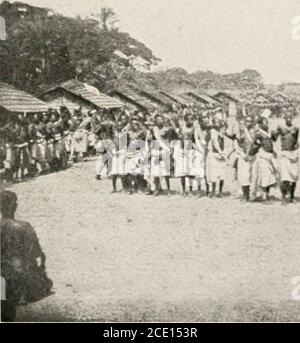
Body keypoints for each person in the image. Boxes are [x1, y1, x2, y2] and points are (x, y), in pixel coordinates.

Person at [1, 190, 52, 322]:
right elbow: (37, 254)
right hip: (16, 278)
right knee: (8, 308)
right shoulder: (24, 227)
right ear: (15, 206)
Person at [273, 113, 299, 204]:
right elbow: (274, 138)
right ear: (284, 118)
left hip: (293, 154)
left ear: (292, 118)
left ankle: (291, 197)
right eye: (287, 117)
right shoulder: (281, 128)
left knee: (294, 176)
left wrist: (297, 151)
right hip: (284, 153)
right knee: (284, 176)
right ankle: (284, 197)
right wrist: (274, 133)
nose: (288, 119)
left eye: (290, 117)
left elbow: (298, 141)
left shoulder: (296, 128)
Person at [250, 117, 278, 202]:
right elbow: (253, 144)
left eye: (267, 123)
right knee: (264, 177)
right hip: (263, 156)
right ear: (261, 124)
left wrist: (275, 133)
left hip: (270, 155)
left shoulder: (269, 132)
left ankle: (266, 195)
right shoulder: (258, 133)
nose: (266, 124)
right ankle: (264, 197)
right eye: (264, 123)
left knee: (270, 176)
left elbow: (274, 140)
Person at [235, 116, 256, 202]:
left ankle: (250, 195)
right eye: (246, 122)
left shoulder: (253, 132)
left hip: (251, 156)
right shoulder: (241, 132)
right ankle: (245, 195)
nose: (247, 123)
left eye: (249, 122)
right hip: (243, 156)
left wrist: (247, 154)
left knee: (251, 176)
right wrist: (241, 153)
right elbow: (237, 143)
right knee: (243, 176)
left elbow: (251, 143)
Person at [206, 118, 227, 198]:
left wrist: (224, 153)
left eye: (224, 127)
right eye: (222, 127)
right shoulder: (214, 132)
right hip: (215, 155)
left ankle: (220, 191)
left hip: (221, 156)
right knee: (214, 175)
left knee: (222, 175)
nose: (223, 129)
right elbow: (215, 143)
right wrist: (220, 152)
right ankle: (214, 191)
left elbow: (224, 146)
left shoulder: (223, 135)